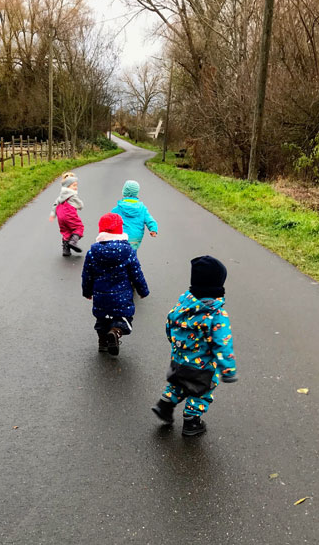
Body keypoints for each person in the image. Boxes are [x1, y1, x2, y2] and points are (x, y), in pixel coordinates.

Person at [152, 255, 237, 436]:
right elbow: (222, 344)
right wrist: (228, 370)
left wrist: (176, 346)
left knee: (178, 383)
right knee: (201, 391)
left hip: (179, 360)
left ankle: (165, 405)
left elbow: (169, 325)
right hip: (203, 366)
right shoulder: (217, 314)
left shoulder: (182, 305)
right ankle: (192, 422)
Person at [81, 212, 149, 355]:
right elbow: (136, 273)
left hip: (100, 295)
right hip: (122, 296)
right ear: (120, 231)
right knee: (123, 319)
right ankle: (116, 332)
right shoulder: (128, 251)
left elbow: (87, 274)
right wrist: (143, 291)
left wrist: (87, 292)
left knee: (101, 320)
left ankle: (103, 343)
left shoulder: (93, 252)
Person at [111, 180, 158, 251]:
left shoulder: (118, 208)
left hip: (121, 236)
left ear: (124, 191)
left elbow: (109, 220)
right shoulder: (142, 208)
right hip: (135, 238)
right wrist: (153, 229)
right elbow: (150, 220)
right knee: (132, 252)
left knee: (120, 253)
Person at [49, 173, 84, 256]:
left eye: (76, 185)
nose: (75, 187)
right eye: (73, 185)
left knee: (66, 231)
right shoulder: (72, 195)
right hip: (69, 214)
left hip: (60, 216)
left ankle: (66, 250)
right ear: (68, 186)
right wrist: (79, 205)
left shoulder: (60, 196)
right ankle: (73, 242)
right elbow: (80, 205)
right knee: (79, 227)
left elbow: (55, 204)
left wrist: (53, 214)